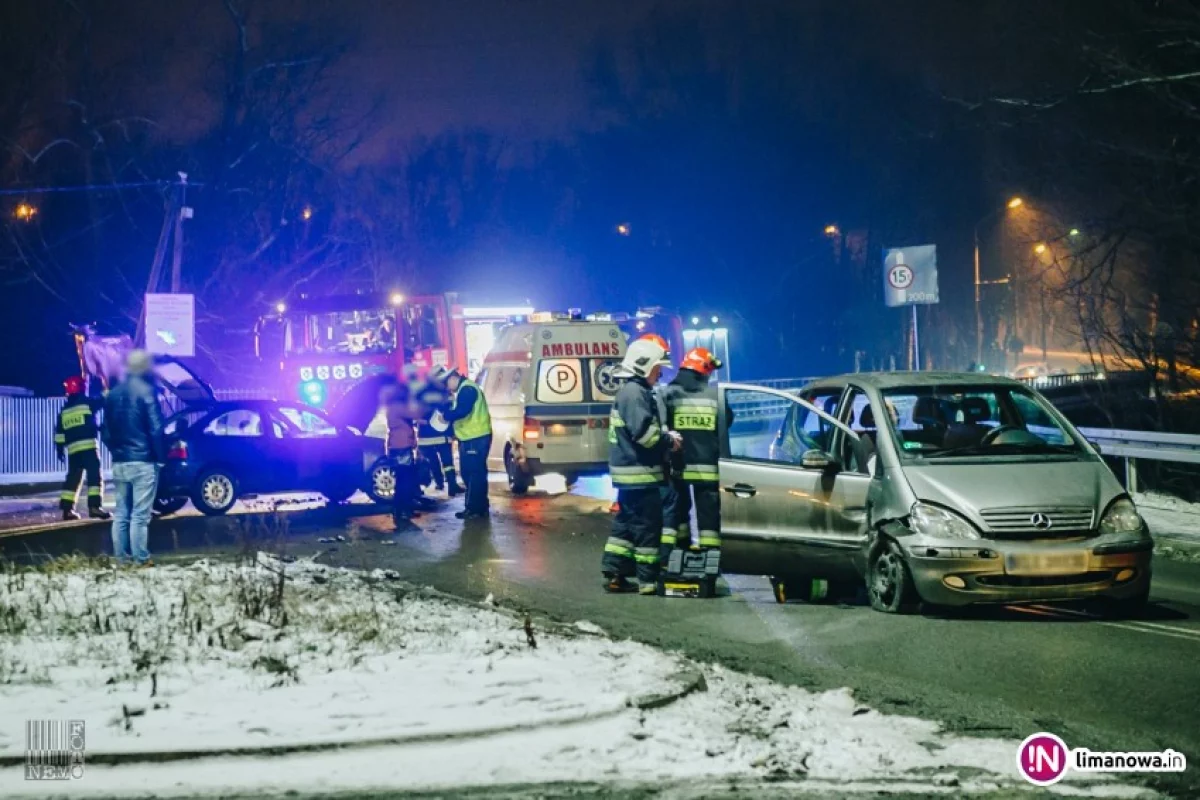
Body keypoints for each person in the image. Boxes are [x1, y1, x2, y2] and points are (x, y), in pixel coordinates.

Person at [602, 335, 678, 594]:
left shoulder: (631, 392)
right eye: (657, 369)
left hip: (629, 474)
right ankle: (647, 581)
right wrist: (669, 441)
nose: (659, 374)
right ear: (643, 365)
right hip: (640, 474)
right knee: (648, 526)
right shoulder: (635, 394)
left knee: (625, 522)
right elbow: (646, 436)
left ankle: (615, 571)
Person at [102, 350, 165, 565]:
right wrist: (160, 457)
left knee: (121, 514)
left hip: (120, 462)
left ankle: (121, 559)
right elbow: (156, 429)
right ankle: (141, 558)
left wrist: (118, 451)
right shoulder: (147, 392)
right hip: (143, 462)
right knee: (140, 515)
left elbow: (106, 432)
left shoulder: (112, 394)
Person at [661, 347, 723, 557]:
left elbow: (662, 426)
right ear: (704, 370)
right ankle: (710, 552)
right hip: (708, 469)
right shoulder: (714, 395)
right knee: (709, 511)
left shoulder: (669, 393)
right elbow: (727, 421)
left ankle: (680, 549)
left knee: (678, 509)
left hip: (678, 466)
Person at [438, 367, 492, 520]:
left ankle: (474, 509)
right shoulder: (466, 388)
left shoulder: (467, 389)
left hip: (475, 438)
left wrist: (446, 416)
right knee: (475, 474)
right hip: (472, 438)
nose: (447, 389)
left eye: (446, 384)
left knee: (473, 475)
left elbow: (462, 411)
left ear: (452, 378)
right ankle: (479, 507)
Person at [55, 375, 111, 521]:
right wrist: (106, 385)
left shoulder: (64, 411)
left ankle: (67, 510)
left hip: (73, 451)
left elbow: (59, 433)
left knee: (73, 479)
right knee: (94, 477)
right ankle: (94, 507)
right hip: (89, 448)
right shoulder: (86, 403)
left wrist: (60, 449)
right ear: (81, 387)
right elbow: (103, 400)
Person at [382, 382, 420, 524]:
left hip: (397, 446)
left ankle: (402, 510)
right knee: (405, 480)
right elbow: (415, 413)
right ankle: (402, 511)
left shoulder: (393, 406)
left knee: (403, 480)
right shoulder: (398, 407)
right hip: (401, 447)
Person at [417, 412, 462, 496]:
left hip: (425, 437)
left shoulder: (419, 400)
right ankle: (452, 486)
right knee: (448, 464)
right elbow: (450, 414)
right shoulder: (443, 400)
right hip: (442, 436)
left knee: (433, 462)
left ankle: (439, 483)